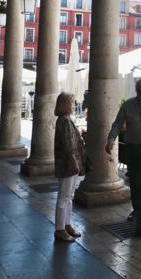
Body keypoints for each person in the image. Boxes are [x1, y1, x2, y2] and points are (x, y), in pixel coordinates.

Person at [105, 78, 141, 234]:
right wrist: (111, 139)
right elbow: (117, 123)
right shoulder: (128, 105)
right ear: (136, 90)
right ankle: (137, 210)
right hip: (132, 148)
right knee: (134, 181)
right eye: (140, 91)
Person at [53, 92, 85, 242]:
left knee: (69, 196)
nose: (74, 105)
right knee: (64, 196)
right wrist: (74, 163)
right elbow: (68, 146)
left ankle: (67, 224)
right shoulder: (64, 121)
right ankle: (60, 228)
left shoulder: (66, 120)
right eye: (72, 102)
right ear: (66, 104)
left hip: (70, 162)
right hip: (68, 164)